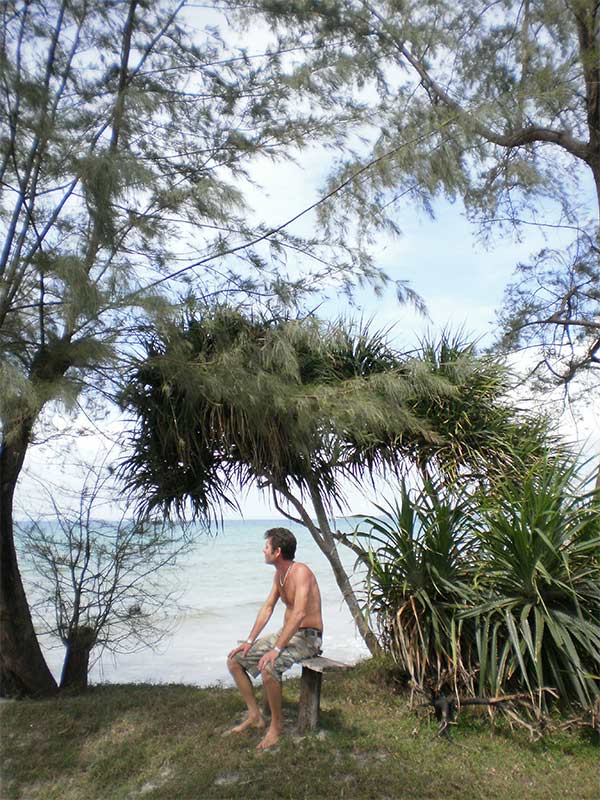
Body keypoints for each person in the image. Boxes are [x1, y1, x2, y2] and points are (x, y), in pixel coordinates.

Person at [226, 527, 323, 750]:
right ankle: (255, 716)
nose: (264, 550)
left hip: (308, 637)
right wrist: (249, 641)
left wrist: (276, 650)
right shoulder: (279, 575)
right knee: (235, 660)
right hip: (287, 633)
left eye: (267, 546)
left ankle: (276, 728)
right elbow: (268, 607)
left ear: (277, 551)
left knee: (269, 666)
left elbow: (299, 614)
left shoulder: (301, 573)